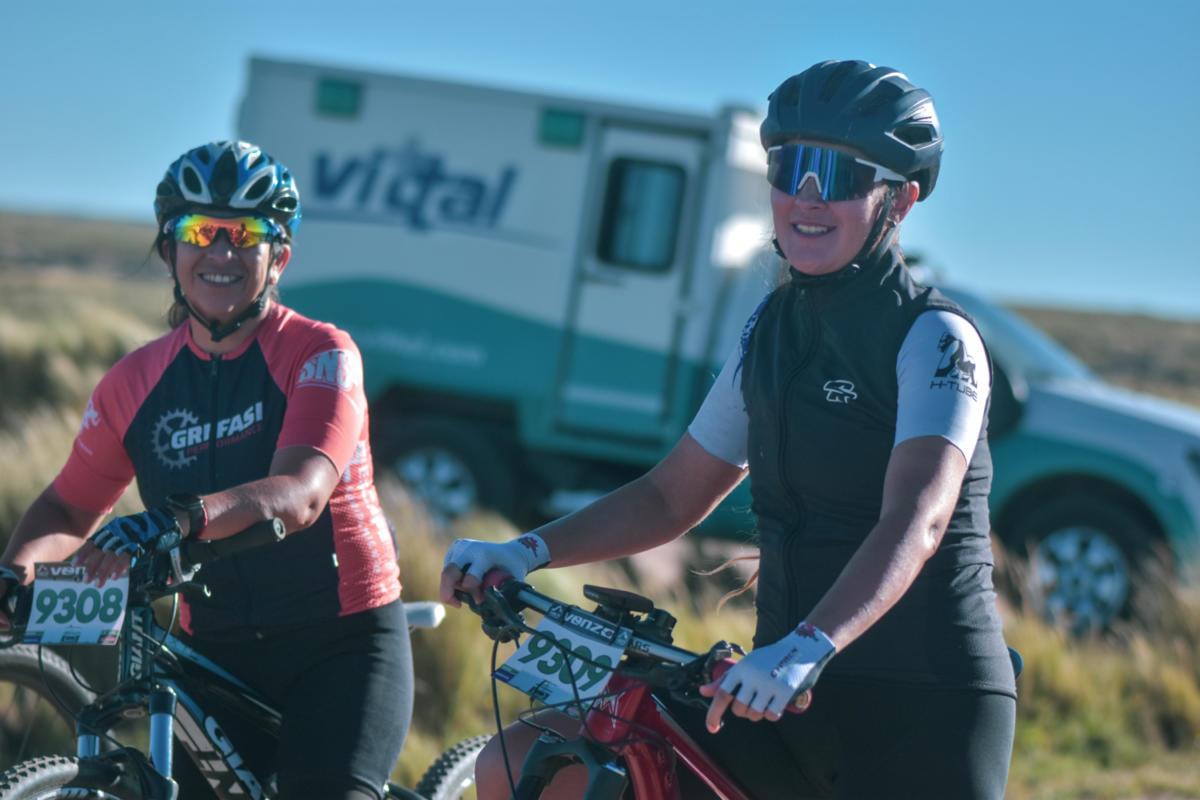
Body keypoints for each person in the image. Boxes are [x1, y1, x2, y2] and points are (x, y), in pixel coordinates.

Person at [441, 60, 1017, 799]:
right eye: (792, 168)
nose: (808, 196)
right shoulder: (771, 329)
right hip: (778, 693)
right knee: (524, 763)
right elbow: (669, 497)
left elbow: (920, 517)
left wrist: (810, 643)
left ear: (900, 200)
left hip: (920, 703)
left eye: (841, 176)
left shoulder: (935, 337)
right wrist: (524, 551)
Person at [0, 141, 412, 800]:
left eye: (243, 234)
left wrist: (177, 520)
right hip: (214, 652)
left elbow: (301, 493)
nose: (220, 251)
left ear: (279, 256)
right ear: (170, 250)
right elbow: (68, 508)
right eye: (199, 231)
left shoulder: (321, 352)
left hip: (340, 643)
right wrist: (14, 574)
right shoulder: (134, 381)